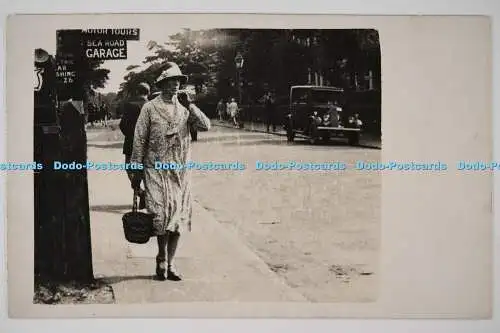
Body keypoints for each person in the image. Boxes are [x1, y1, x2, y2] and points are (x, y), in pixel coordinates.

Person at [129, 62, 211, 281]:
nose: (175, 85)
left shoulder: (184, 107)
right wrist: (135, 172)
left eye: (178, 81)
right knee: (161, 216)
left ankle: (170, 263)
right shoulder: (150, 108)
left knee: (177, 218)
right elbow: (139, 140)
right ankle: (161, 259)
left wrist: (191, 106)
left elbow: (206, 126)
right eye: (171, 81)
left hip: (180, 171)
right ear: (162, 84)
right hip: (155, 169)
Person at [119, 82, 150, 209]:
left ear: (137, 92)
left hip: (131, 143)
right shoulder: (152, 106)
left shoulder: (129, 106)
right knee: (148, 170)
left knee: (130, 168)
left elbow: (123, 125)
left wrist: (131, 136)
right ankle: (149, 195)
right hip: (149, 143)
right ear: (148, 92)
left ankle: (140, 191)